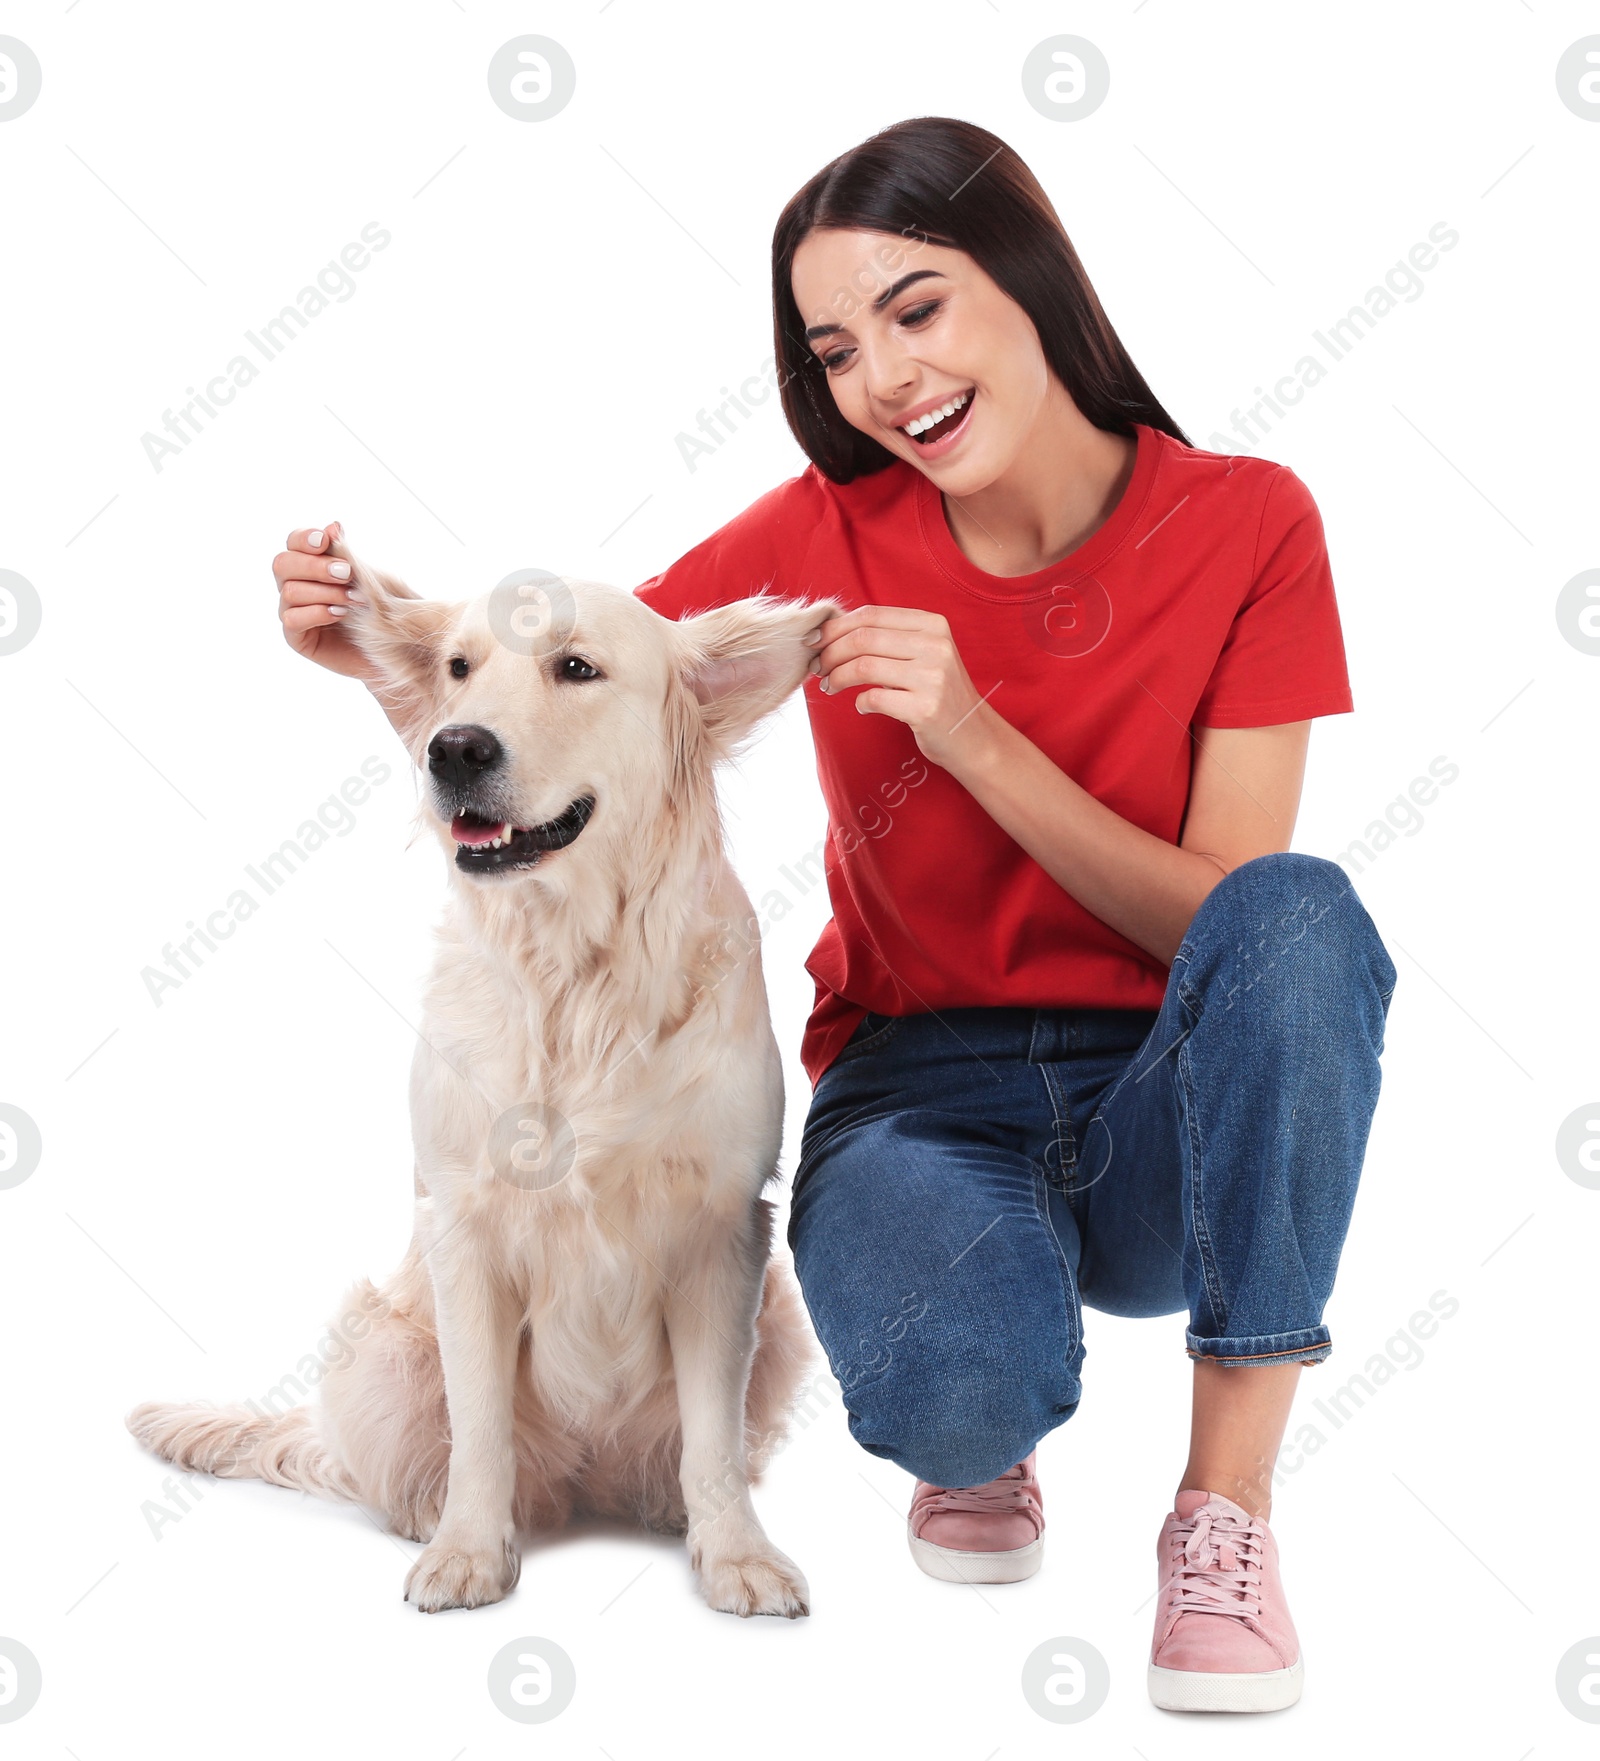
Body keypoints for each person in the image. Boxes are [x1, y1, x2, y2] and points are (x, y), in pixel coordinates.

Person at [271, 116, 1397, 1714]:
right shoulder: (827, 524)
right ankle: (981, 1418)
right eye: (834, 347)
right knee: (953, 1385)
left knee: (1299, 916)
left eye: (916, 308)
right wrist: (383, 669)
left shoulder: (1250, 523)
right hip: (917, 1092)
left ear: (1030, 272)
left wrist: (976, 737)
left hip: (1168, 1098)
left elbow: (1221, 928)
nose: (882, 378)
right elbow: (588, 706)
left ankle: (1226, 1512)